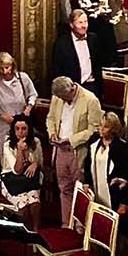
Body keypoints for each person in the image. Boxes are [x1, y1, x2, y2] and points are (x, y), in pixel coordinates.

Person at [47, 76, 102, 205]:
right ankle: (66, 223)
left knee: (80, 191)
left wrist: (71, 140)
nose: (62, 101)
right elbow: (50, 118)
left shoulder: (90, 100)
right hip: (60, 150)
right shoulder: (57, 98)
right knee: (64, 189)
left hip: (78, 151)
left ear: (72, 89)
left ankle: (78, 225)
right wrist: (52, 133)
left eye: (64, 98)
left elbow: (94, 128)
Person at [47, 6, 116, 91]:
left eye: (85, 22)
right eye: (80, 22)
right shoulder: (62, 44)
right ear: (72, 25)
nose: (84, 26)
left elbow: (101, 62)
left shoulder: (93, 39)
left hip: (92, 86)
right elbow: (57, 70)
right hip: (72, 89)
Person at [0, 114, 44, 220]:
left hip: (30, 180)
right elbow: (17, 171)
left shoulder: (36, 142)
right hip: (12, 181)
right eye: (17, 129)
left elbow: (41, 165)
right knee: (24, 207)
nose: (20, 132)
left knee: (35, 204)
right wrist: (19, 150)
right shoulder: (7, 145)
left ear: (29, 130)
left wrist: (35, 164)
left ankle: (35, 233)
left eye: (24, 129)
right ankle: (25, 234)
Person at [83, 111, 128, 218]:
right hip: (96, 187)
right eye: (100, 126)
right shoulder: (94, 142)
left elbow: (126, 173)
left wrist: (124, 201)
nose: (101, 129)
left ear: (113, 129)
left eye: (105, 127)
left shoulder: (121, 147)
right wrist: (87, 182)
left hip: (112, 193)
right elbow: (87, 164)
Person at [0, 51, 40, 132]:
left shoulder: (23, 78)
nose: (4, 71)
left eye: (7, 67)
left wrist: (28, 108)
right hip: (5, 125)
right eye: (1, 68)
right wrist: (0, 115)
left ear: (12, 65)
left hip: (23, 122)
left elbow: (33, 95)